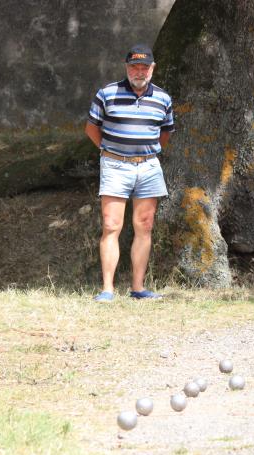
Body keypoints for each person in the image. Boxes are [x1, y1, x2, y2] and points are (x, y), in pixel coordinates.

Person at [85, 44, 174, 302]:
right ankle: (107, 290)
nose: (139, 71)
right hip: (114, 165)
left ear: (152, 69)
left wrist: (145, 152)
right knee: (111, 225)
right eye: (134, 66)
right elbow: (91, 128)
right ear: (127, 68)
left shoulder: (163, 99)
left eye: (144, 67)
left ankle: (138, 288)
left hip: (148, 166)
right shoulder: (107, 93)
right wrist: (109, 150)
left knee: (144, 226)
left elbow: (165, 134)